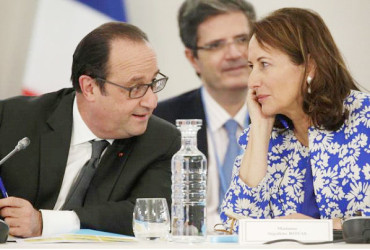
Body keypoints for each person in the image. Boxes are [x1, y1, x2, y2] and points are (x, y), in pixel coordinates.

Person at [0, 22, 181, 238]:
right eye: (136, 88)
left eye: (153, 83)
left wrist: (44, 223)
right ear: (90, 87)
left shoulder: (162, 141)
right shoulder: (12, 120)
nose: (152, 101)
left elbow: (153, 217)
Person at [221, 7, 370, 233]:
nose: (252, 81)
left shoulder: (365, 118)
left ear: (309, 66)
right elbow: (233, 228)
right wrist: (260, 130)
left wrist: (327, 228)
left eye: (264, 64)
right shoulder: (265, 135)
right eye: (251, 67)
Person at [153, 0, 256, 231]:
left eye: (242, 40)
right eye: (216, 45)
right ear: (192, 58)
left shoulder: (285, 119)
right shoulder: (161, 122)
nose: (235, 53)